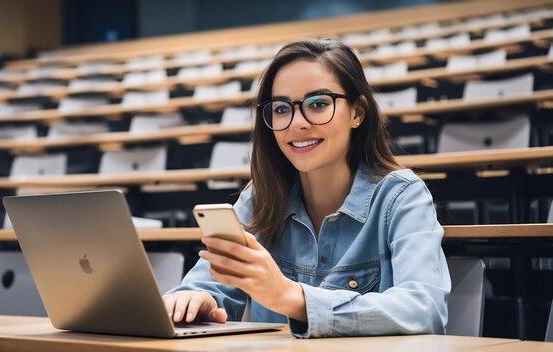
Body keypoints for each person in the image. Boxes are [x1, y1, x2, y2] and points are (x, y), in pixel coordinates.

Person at [163, 39, 450, 338]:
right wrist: (196, 301)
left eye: (318, 104)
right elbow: (206, 287)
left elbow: (424, 310)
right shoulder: (260, 198)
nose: (297, 123)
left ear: (357, 113)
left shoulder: (402, 197)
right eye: (282, 108)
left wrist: (294, 299)